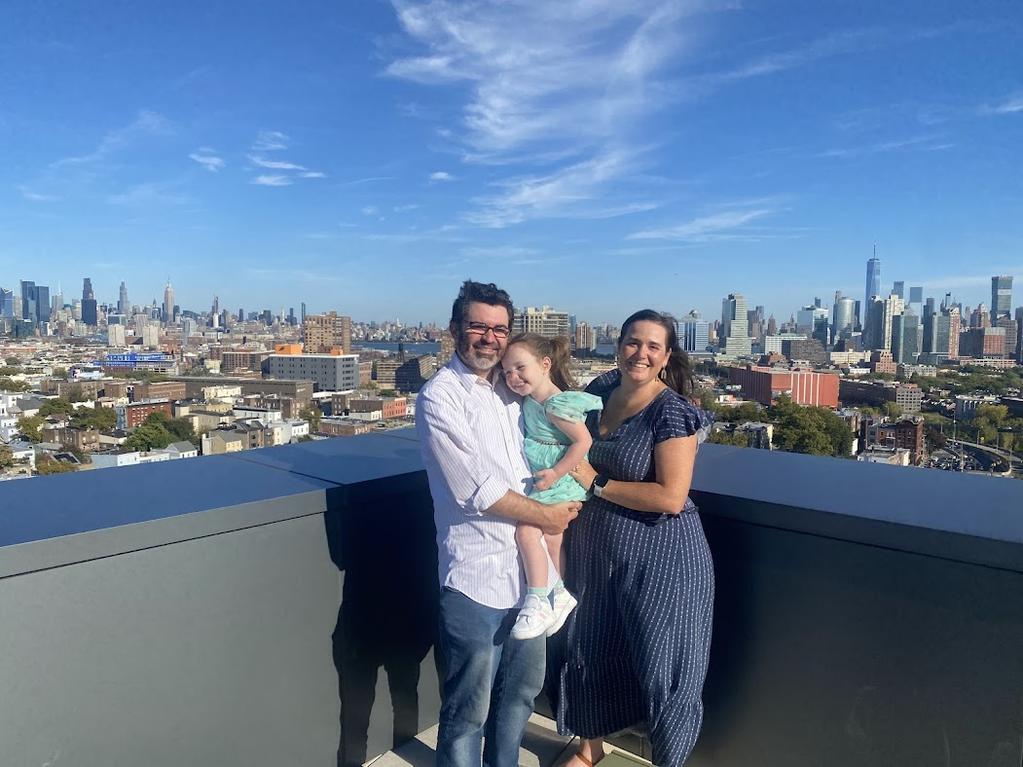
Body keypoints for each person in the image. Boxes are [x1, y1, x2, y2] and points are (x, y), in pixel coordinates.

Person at [416, 280, 583, 767]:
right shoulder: (439, 398)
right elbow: (477, 490)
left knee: (520, 699)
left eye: (499, 329)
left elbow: (559, 436)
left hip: (532, 586)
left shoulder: (515, 391)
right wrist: (550, 516)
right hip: (476, 578)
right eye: (478, 327)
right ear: (454, 330)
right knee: (469, 710)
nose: (489, 338)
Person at [558, 309, 714, 767]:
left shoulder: (672, 412)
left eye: (652, 346)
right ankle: (590, 750)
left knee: (664, 667)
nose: (639, 353)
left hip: (662, 558)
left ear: (665, 356)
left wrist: (595, 483)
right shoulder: (600, 390)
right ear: (617, 344)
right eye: (632, 342)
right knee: (587, 644)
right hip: (596, 551)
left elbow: (670, 496)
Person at [499, 333, 603, 640]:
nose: (513, 377)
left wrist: (556, 473)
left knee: (527, 531)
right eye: (506, 372)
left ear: (546, 365)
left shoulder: (556, 405)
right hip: (556, 479)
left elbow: (584, 440)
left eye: (520, 368)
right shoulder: (532, 400)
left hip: (561, 481)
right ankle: (559, 592)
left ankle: (537, 598)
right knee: (552, 539)